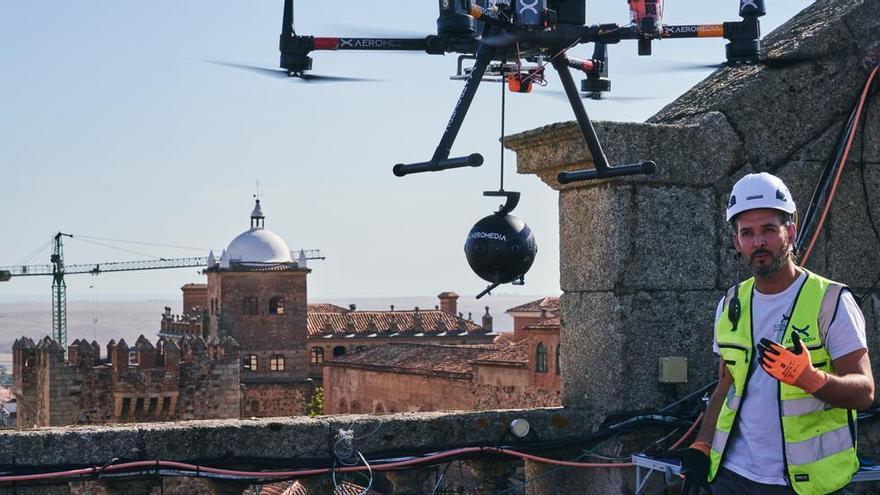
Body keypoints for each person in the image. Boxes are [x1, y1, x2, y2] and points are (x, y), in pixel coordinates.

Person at [667, 173, 874, 495]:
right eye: (747, 233)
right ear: (736, 241)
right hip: (732, 477)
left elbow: (864, 393)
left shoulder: (831, 301)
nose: (758, 242)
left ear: (790, 231)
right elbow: (726, 385)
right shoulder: (730, 303)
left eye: (768, 229)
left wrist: (811, 379)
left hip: (805, 484)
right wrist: (702, 445)